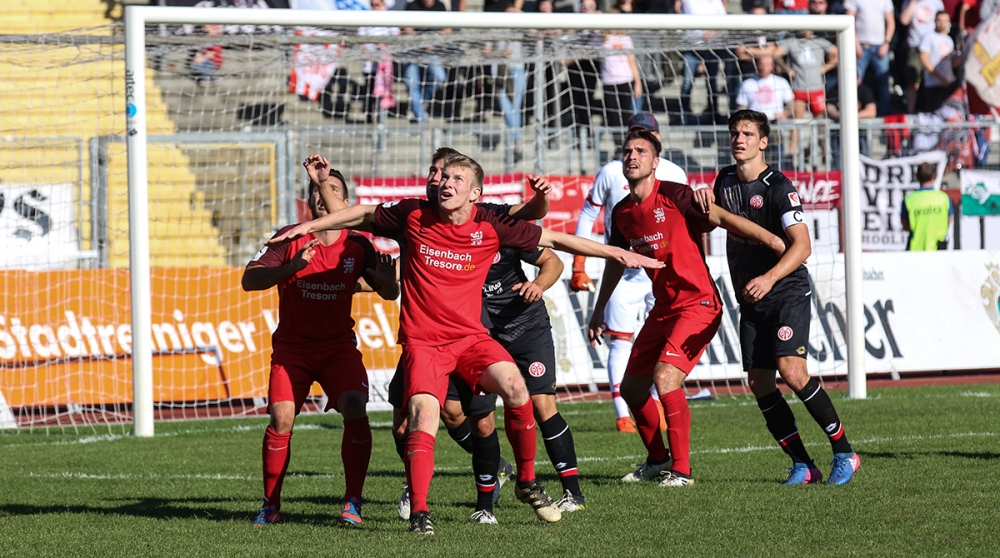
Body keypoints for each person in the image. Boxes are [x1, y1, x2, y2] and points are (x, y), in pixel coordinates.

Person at [274, 154, 663, 534]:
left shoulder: (491, 224)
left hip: (471, 339)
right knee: (422, 417)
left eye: (456, 179)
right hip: (425, 344)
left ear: (475, 193)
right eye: (443, 177)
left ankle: (527, 481)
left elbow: (556, 239)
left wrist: (616, 252)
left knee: (516, 388)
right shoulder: (413, 214)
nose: (445, 183)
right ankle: (420, 512)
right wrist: (310, 225)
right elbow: (358, 214)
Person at [589, 128, 786, 488]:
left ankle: (681, 471)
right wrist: (599, 308)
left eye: (641, 151)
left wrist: (771, 238)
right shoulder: (622, 212)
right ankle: (657, 459)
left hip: (699, 304)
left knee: (665, 378)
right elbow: (615, 260)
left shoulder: (675, 195)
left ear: (656, 162)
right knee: (631, 389)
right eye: (628, 151)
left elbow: (722, 218)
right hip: (663, 308)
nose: (632, 156)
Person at [242, 171, 400, 526]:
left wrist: (388, 283)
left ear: (344, 202)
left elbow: (389, 292)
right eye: (316, 190)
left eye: (331, 189)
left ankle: (353, 502)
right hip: (292, 349)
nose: (322, 195)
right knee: (281, 417)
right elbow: (249, 280)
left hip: (337, 348)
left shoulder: (358, 245)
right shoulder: (289, 237)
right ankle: (270, 505)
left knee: (355, 405)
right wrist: (291, 267)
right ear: (308, 200)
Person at [713, 109, 861, 485]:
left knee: (792, 371)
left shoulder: (778, 186)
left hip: (785, 290)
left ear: (763, 142)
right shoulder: (724, 180)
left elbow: (802, 246)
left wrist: (769, 277)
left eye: (748, 134)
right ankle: (803, 464)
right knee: (759, 382)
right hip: (752, 296)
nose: (739, 139)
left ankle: (845, 452)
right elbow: (712, 221)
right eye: (735, 133)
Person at [570, 112, 687, 433]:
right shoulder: (611, 171)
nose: (636, 148)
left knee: (665, 342)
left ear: (658, 140)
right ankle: (623, 414)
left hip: (662, 272)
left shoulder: (675, 173)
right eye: (633, 137)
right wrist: (579, 264)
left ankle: (658, 404)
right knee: (620, 342)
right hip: (622, 271)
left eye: (646, 136)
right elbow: (588, 214)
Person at [482, 244, 588, 511]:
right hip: (483, 333)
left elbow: (553, 261)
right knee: (467, 414)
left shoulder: (505, 231)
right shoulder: (450, 239)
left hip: (527, 328)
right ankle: (500, 468)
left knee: (542, 404)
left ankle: (572, 493)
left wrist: (538, 284)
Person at [845, 0, 895, 115]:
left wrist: (886, 43)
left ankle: (885, 113)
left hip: (880, 46)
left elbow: (891, 22)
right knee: (854, 80)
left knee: (883, 80)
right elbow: (848, 20)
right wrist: (855, 42)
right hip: (860, 46)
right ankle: (853, 112)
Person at [402, 0, 449, 123]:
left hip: (431, 52)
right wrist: (422, 40)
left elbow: (448, 30)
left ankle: (418, 107)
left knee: (439, 77)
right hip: (411, 52)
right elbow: (406, 29)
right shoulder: (412, 6)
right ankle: (421, 120)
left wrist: (434, 39)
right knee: (412, 84)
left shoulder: (440, 6)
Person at [901, 0, 946, 114]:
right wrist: (913, 3)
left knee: (933, 79)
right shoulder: (908, 2)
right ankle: (910, 112)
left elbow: (942, 19)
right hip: (915, 46)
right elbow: (904, 20)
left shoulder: (936, 2)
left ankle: (933, 111)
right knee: (913, 79)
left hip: (932, 46)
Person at [901, 161, 953, 250]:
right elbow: (947, 222)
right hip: (939, 250)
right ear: (934, 176)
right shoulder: (944, 198)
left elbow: (905, 226)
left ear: (917, 177)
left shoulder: (909, 200)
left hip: (916, 250)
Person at [919, 10, 963, 113]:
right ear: (935, 21)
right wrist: (940, 77)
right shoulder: (929, 37)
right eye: (939, 20)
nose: (942, 23)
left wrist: (961, 53)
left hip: (949, 83)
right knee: (935, 114)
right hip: (934, 84)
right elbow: (924, 60)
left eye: (944, 21)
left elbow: (953, 64)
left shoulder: (949, 40)